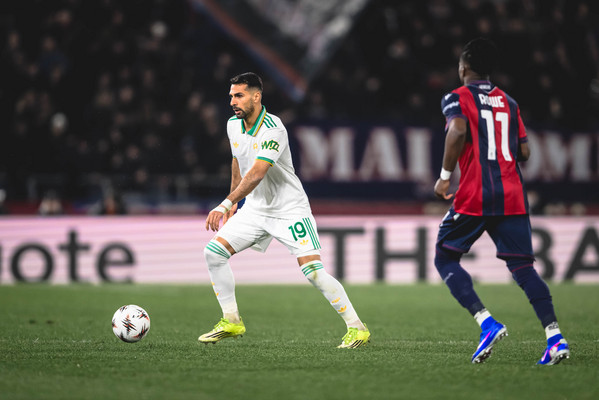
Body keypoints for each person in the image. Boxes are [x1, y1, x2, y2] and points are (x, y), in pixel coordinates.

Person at [199, 72, 370, 348]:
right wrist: (235, 202)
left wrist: (226, 203)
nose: (232, 101)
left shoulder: (274, 129)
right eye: (231, 96)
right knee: (213, 253)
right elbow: (238, 162)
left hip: (289, 209)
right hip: (255, 209)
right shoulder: (233, 125)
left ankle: (357, 328)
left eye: (239, 95)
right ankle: (231, 320)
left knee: (313, 271)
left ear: (256, 96)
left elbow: (257, 173)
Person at [433, 38, 569, 365]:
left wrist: (445, 176)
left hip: (477, 193)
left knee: (445, 257)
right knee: (523, 268)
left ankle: (487, 322)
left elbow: (457, 131)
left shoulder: (456, 97)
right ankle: (555, 337)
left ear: (464, 67)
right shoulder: (510, 101)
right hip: (512, 194)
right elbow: (524, 151)